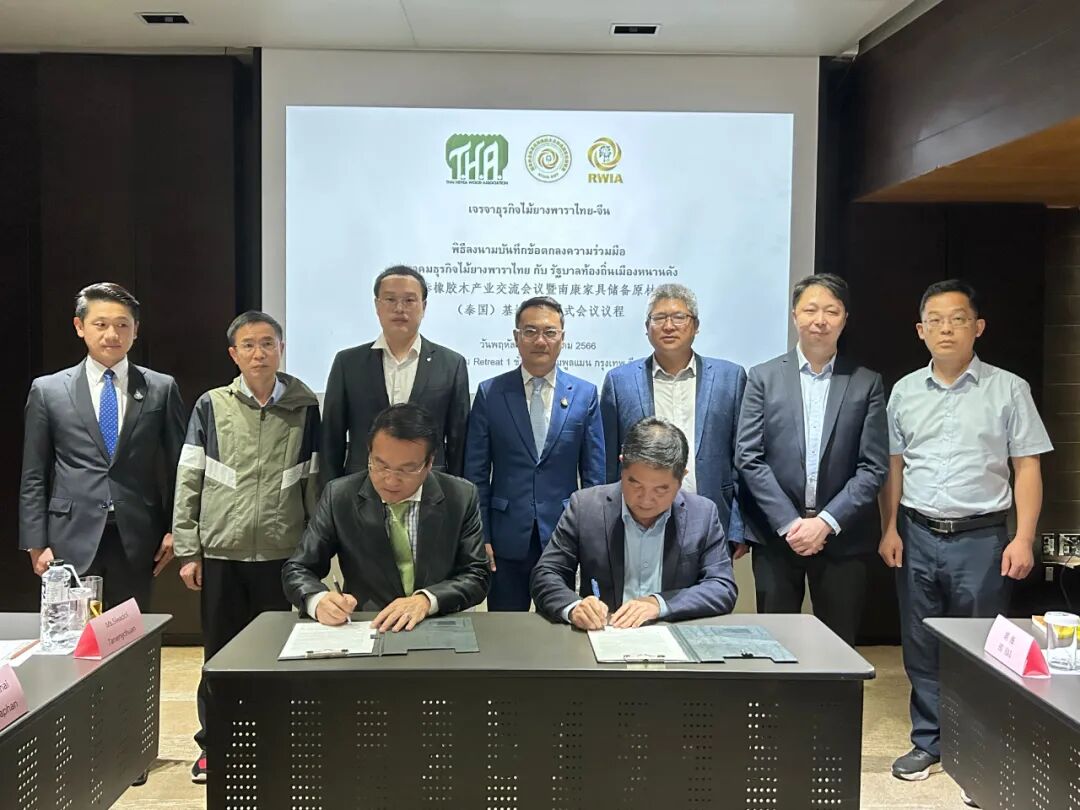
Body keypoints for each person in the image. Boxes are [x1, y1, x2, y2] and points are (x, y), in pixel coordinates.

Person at [879, 279, 1052, 782]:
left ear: (978, 327)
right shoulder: (904, 391)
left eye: (957, 319)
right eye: (934, 320)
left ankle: (979, 747)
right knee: (921, 642)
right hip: (916, 532)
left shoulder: (1009, 388)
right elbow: (893, 467)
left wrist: (1024, 537)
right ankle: (928, 741)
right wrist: (888, 528)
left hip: (982, 538)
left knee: (981, 645)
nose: (946, 329)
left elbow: (1027, 466)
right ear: (920, 331)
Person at [172, 311, 322, 784]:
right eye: (249, 345)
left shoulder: (304, 407)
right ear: (233, 354)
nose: (259, 354)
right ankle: (214, 744)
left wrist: (314, 554)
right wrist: (188, 548)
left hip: (282, 552)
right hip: (223, 551)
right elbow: (189, 477)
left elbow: (313, 482)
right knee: (220, 655)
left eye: (268, 344)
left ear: (282, 349)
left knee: (279, 654)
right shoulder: (211, 405)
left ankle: (276, 740)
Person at [735, 273, 888, 645]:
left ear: (844, 319)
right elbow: (749, 456)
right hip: (776, 537)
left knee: (838, 648)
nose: (820, 320)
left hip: (842, 538)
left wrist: (826, 522)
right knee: (776, 643)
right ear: (794, 316)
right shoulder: (763, 377)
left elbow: (873, 467)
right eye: (811, 310)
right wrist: (790, 524)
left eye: (831, 311)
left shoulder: (866, 382)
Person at [19, 282, 185, 611]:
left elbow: (179, 466)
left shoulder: (161, 388)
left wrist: (175, 530)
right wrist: (35, 542)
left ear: (136, 330)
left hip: (138, 535)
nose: (112, 334)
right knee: (72, 632)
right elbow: (34, 472)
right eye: (101, 324)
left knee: (130, 632)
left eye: (122, 324)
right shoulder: (49, 390)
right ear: (80, 326)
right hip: (68, 535)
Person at [283, 403, 489, 629]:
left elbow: (477, 575)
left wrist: (427, 600)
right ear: (369, 453)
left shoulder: (460, 496)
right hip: (368, 625)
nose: (391, 480)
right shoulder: (340, 496)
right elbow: (298, 568)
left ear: (429, 463)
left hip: (436, 622)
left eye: (406, 469)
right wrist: (318, 600)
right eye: (380, 465)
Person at [463, 297, 605, 610]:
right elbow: (475, 474)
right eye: (530, 331)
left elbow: (594, 477)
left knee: (559, 623)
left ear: (562, 338)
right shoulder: (490, 392)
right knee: (505, 628)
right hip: (505, 536)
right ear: (516, 337)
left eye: (550, 332)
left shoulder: (585, 394)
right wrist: (481, 535)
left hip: (562, 534)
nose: (540, 341)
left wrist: (591, 537)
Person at [530, 417, 737, 628]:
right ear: (622, 465)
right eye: (635, 484)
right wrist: (575, 607)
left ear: (682, 477)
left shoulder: (702, 514)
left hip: (672, 634)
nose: (646, 500)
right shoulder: (585, 507)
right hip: (605, 632)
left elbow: (722, 587)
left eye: (661, 489)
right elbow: (546, 574)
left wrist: (659, 604)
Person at [600, 283, 749, 558]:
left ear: (696, 325)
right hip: (639, 517)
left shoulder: (731, 377)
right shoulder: (619, 382)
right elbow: (609, 463)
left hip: (712, 515)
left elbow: (742, 458)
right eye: (659, 318)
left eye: (679, 317)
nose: (669, 326)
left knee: (710, 586)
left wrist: (739, 526)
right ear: (647, 327)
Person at [321, 265, 470, 483]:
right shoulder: (348, 363)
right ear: (377, 305)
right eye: (390, 299)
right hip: (360, 487)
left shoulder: (451, 364)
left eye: (409, 300)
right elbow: (331, 438)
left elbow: (459, 441)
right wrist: (330, 494)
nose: (400, 308)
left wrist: (456, 494)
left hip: (430, 486)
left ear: (424, 306)